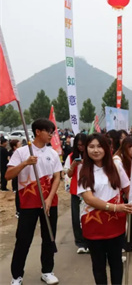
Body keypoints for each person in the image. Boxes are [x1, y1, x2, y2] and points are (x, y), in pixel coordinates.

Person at [6, 118, 63, 285]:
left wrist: (50, 197)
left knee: (49, 237)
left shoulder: (52, 153)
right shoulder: (22, 152)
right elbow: (9, 175)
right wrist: (25, 163)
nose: (51, 135)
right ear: (38, 132)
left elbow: (57, 177)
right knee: (23, 239)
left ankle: (47, 271)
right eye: (49, 132)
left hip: (49, 203)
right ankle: (17, 276)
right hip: (28, 202)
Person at [77, 133, 132, 285]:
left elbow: (128, 188)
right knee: (98, 265)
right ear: (86, 149)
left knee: (116, 262)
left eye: (99, 146)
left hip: (115, 223)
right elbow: (89, 198)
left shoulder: (116, 166)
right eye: (91, 147)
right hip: (93, 223)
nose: (95, 150)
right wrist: (116, 207)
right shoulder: (83, 170)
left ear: (106, 148)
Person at [113, 135, 132, 253]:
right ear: (126, 147)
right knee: (122, 219)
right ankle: (124, 244)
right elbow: (122, 180)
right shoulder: (117, 160)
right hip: (122, 192)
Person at [64, 133, 89, 254]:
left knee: (89, 217)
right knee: (76, 217)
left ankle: (90, 241)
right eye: (78, 145)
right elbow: (68, 174)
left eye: (83, 145)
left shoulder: (92, 155)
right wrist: (74, 164)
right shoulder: (71, 157)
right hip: (76, 191)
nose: (81, 147)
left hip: (90, 189)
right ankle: (80, 242)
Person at [9, 139, 22, 218]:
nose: (21, 146)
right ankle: (18, 211)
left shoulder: (21, 153)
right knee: (18, 193)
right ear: (15, 147)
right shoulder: (14, 154)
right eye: (19, 145)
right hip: (17, 175)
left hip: (21, 176)